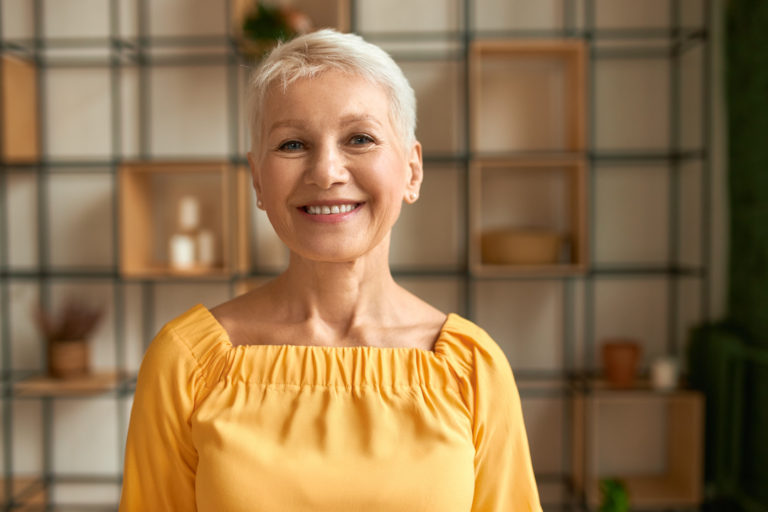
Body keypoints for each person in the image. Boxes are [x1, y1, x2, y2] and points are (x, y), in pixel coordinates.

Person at [119, 29, 541, 512]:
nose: (326, 172)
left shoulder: (472, 368)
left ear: (412, 170)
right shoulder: (187, 364)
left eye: (359, 138)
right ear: (258, 180)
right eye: (293, 144)